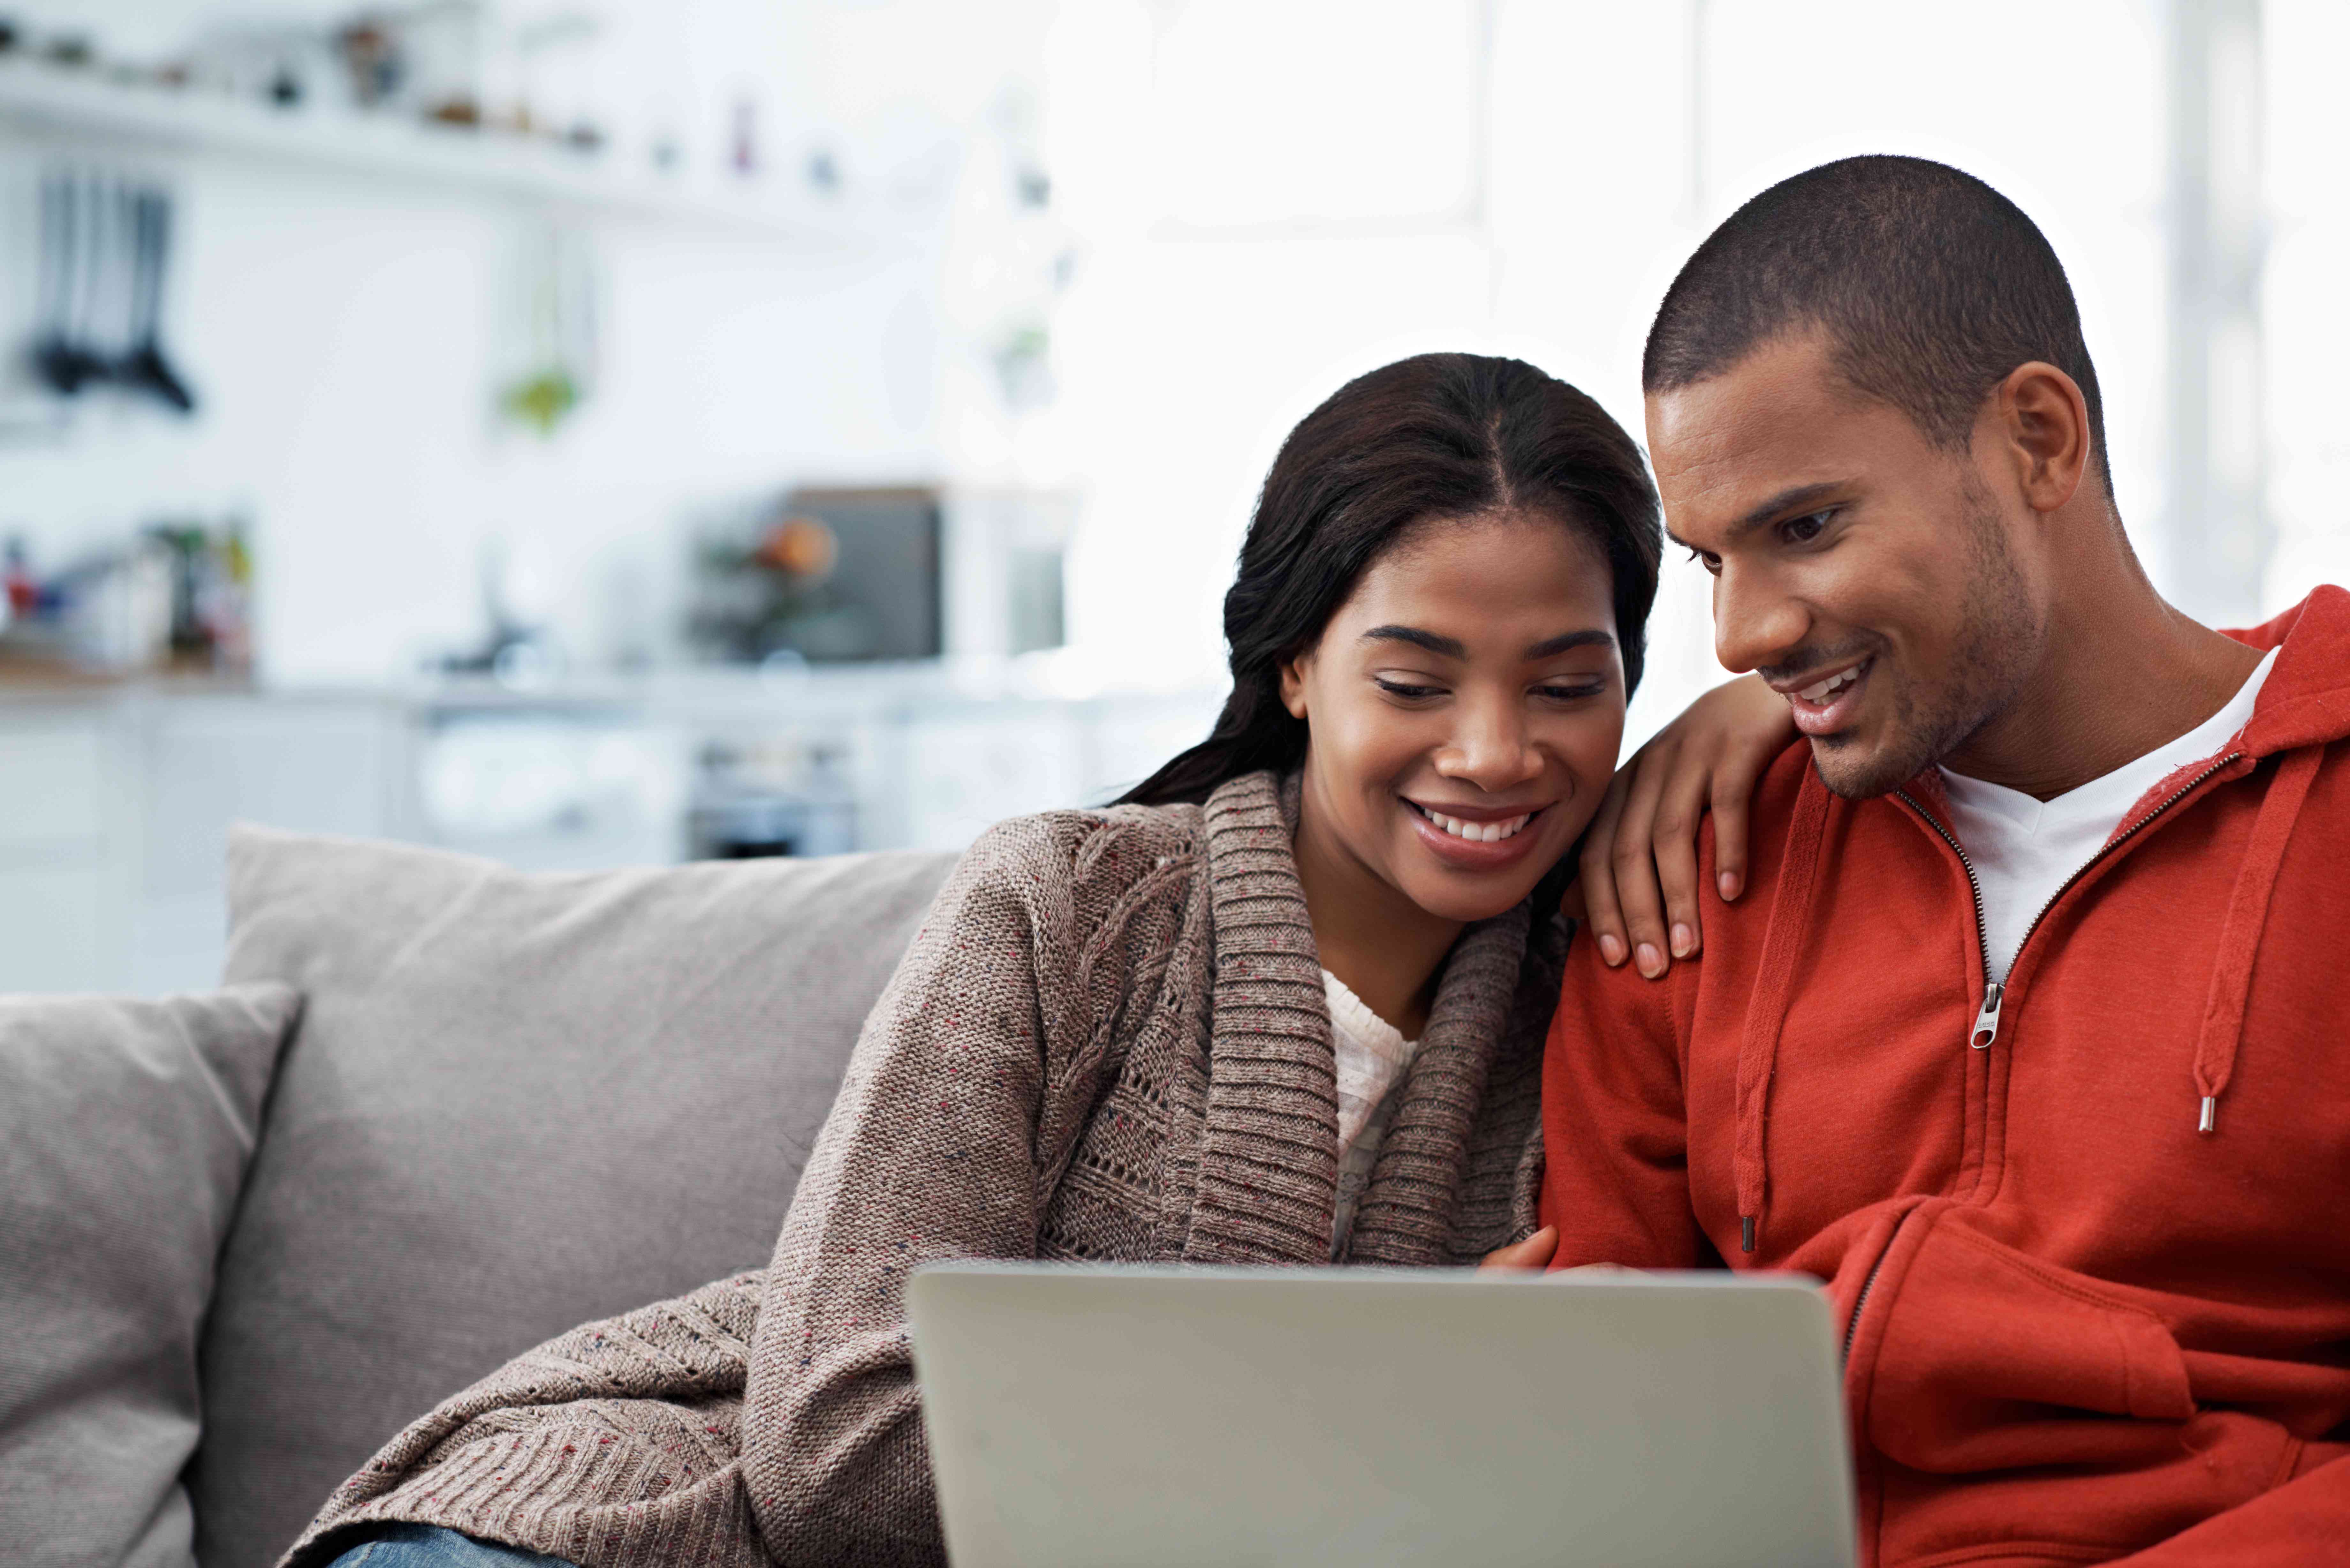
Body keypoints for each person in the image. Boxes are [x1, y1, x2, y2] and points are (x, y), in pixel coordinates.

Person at [289, 351, 1696, 1568]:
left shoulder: (1611, 989)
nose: (1494, 751)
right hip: (633, 1521)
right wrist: (1388, 1392)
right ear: (1292, 668)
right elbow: (836, 1446)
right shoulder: (1074, 906)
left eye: (1568, 686)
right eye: (1413, 682)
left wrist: (1742, 720)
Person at [1539, 154, 2350, 1565]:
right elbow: (1598, 1418)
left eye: (1804, 528)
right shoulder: (1695, 861)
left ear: (2037, 440)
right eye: (1711, 561)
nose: (1740, 637)